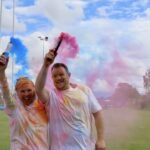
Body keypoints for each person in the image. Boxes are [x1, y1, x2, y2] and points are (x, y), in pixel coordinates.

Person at [35, 49, 106, 150]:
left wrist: (101, 139)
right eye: (55, 76)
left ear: (69, 75)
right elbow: (38, 89)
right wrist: (45, 66)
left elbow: (98, 113)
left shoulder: (84, 90)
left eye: (61, 74)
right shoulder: (51, 96)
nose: (58, 78)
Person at [0, 54, 49, 150]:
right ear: (17, 93)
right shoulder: (14, 108)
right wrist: (1, 72)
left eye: (29, 90)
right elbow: (5, 91)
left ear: (34, 89)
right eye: (22, 91)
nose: (26, 94)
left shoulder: (43, 106)